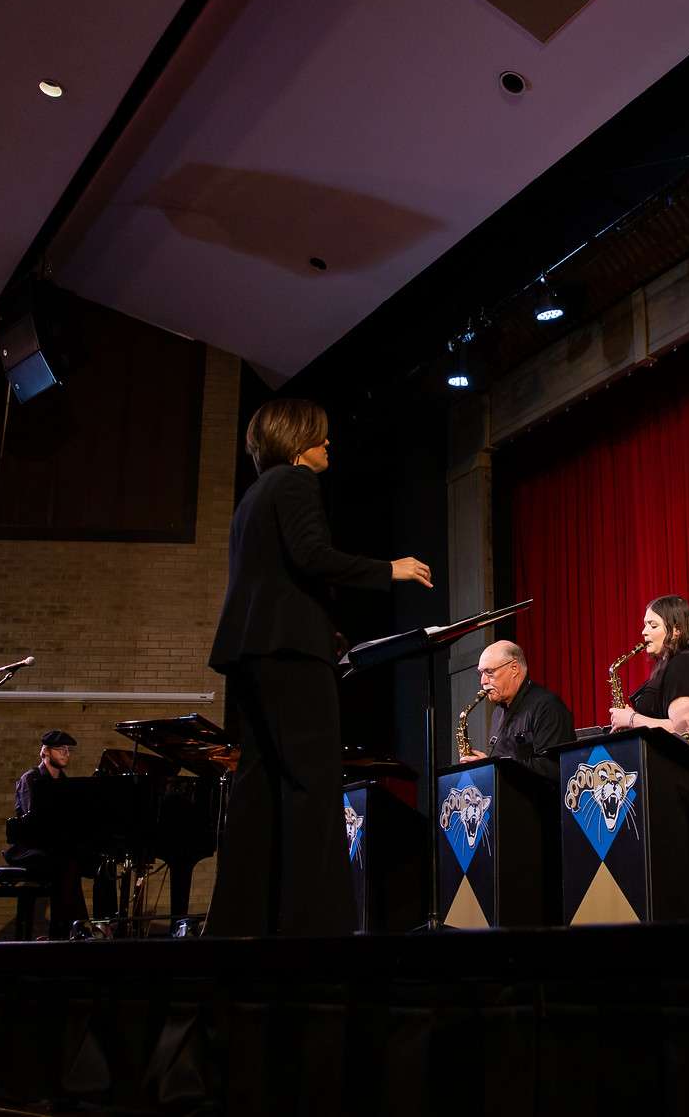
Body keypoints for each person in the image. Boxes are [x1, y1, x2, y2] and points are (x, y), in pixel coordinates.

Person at [205, 398, 432, 937]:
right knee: (313, 786)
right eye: (321, 435)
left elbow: (278, 575)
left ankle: (240, 928)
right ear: (296, 441)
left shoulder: (252, 498)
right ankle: (316, 932)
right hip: (290, 655)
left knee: (259, 791)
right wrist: (389, 569)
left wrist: (322, 624)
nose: (328, 444)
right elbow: (311, 554)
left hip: (251, 654)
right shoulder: (294, 482)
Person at [3, 730, 115, 937]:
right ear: (45, 751)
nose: (66, 754)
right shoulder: (31, 779)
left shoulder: (66, 783)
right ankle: (72, 929)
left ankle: (104, 924)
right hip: (30, 847)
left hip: (59, 846)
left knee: (104, 863)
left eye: (68, 750)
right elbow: (32, 821)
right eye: (60, 749)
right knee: (67, 862)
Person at [608, 595, 689, 745]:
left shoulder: (683, 664)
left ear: (676, 630)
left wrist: (631, 719)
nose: (644, 632)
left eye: (653, 625)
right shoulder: (668, 665)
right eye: (645, 624)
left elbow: (684, 731)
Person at [469, 640, 575, 779]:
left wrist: (495, 766)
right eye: (481, 673)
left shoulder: (547, 706)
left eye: (489, 672)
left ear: (514, 668)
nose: (483, 681)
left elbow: (554, 768)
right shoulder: (498, 713)